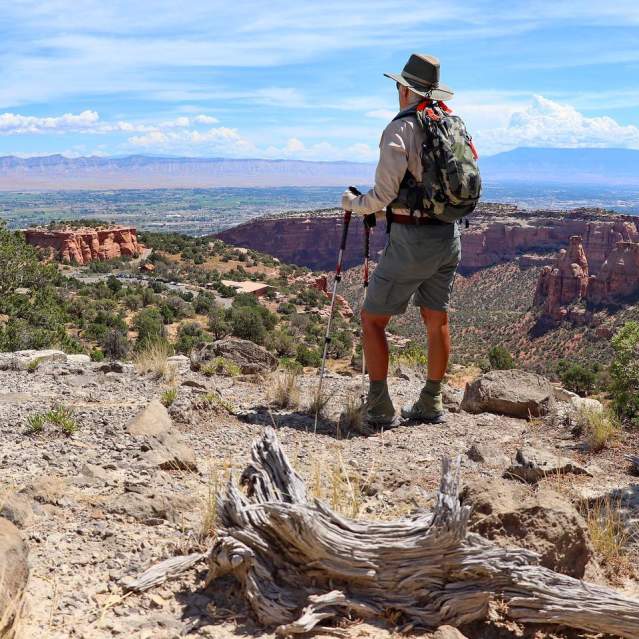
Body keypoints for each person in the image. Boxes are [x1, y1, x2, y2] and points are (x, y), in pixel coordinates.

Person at [341, 53, 461, 426]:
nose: (397, 92)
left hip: (412, 242)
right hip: (449, 235)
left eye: (398, 86)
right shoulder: (452, 123)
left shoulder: (401, 128)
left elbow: (383, 195)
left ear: (406, 89)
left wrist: (354, 204)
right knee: (435, 316)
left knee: (372, 318)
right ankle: (431, 400)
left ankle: (379, 406)